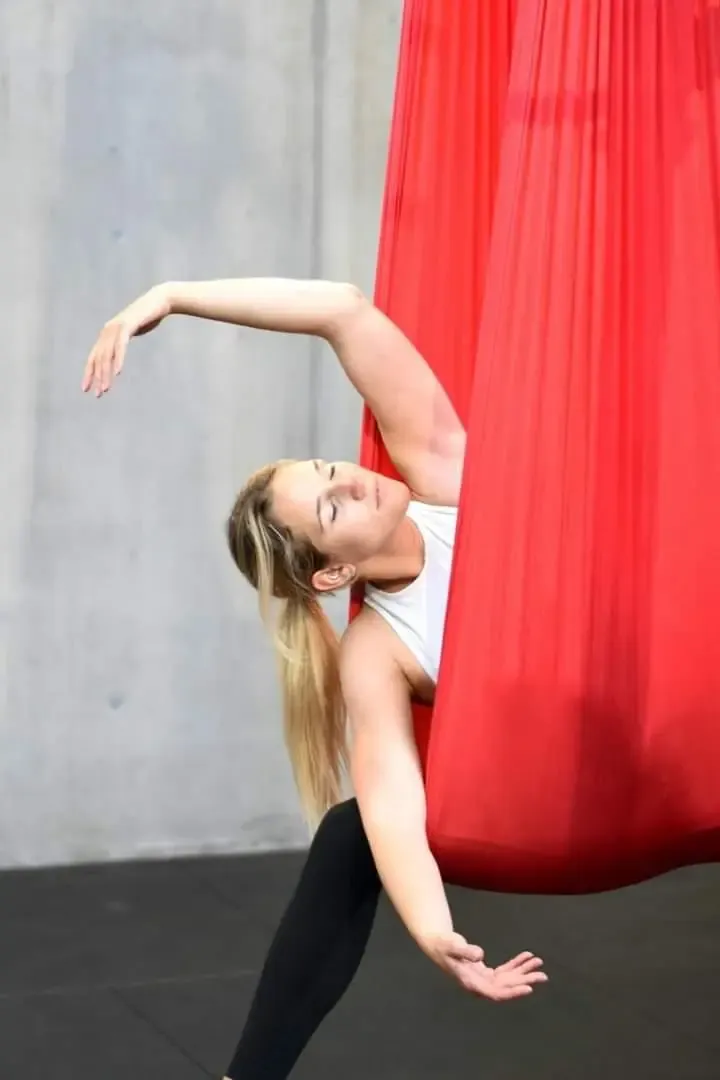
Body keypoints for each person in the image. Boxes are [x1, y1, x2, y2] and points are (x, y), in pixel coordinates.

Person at [83, 278, 548, 1078]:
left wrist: (170, 296)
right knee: (349, 833)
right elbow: (391, 799)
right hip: (562, 769)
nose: (355, 479)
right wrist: (435, 930)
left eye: (329, 466)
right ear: (332, 576)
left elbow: (343, 311)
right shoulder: (377, 648)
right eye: (332, 507)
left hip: (666, 657)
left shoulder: (446, 479)